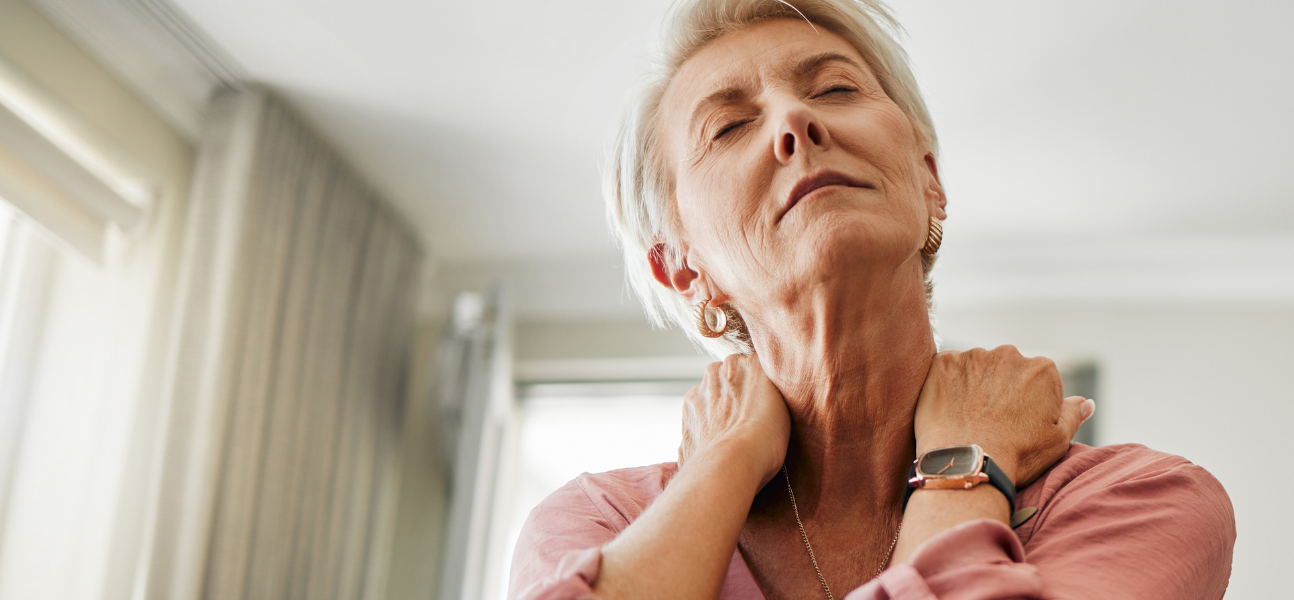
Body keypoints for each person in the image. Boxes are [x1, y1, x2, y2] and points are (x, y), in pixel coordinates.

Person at [509, 0, 1235, 597]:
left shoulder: (1140, 501)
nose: (795, 122)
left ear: (929, 182)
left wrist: (965, 467)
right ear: (684, 272)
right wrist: (727, 458)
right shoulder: (599, 526)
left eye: (834, 89)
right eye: (729, 126)